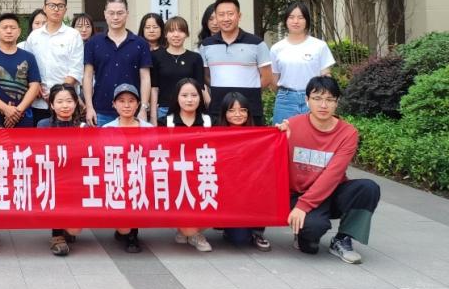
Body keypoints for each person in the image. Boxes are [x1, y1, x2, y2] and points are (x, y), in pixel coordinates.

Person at [277, 76, 380, 264]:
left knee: (368, 188)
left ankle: (342, 239)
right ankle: (304, 235)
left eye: (330, 99)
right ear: (307, 100)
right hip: (297, 193)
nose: (323, 105)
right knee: (311, 237)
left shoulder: (348, 133)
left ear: (337, 102)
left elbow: (333, 175)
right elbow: (270, 162)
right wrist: (278, 139)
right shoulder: (292, 125)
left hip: (331, 192)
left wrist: (303, 207)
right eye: (317, 98)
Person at [158, 78, 213, 252]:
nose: (189, 100)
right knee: (187, 227)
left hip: (203, 177)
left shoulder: (210, 121)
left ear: (200, 97)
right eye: (184, 95)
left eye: (194, 95)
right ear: (176, 97)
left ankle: (194, 232)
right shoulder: (164, 122)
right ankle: (189, 231)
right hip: (175, 180)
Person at [200, 0, 272, 124]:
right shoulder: (206, 45)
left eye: (230, 14)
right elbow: (206, 76)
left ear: (239, 16)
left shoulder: (257, 43)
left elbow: (267, 78)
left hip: (250, 110)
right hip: (218, 110)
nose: (226, 18)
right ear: (216, 17)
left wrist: (248, 92)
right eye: (221, 15)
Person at [83, 0, 152, 126]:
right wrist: (89, 107)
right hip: (101, 110)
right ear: (105, 14)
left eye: (120, 13)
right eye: (111, 13)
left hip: (132, 110)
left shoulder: (140, 43)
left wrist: (143, 108)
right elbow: (87, 76)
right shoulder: (93, 43)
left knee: (133, 141)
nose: (115, 17)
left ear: (127, 14)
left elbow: (145, 78)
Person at [34, 84, 85, 255]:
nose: (65, 106)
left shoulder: (83, 127)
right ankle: (56, 235)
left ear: (76, 103)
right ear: (51, 104)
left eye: (69, 101)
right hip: (52, 178)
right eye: (60, 101)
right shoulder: (43, 125)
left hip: (76, 180)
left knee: (75, 229)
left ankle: (66, 227)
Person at [217, 92, 271, 252]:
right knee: (239, 239)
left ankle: (258, 232)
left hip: (252, 190)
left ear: (248, 112)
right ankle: (228, 227)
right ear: (224, 113)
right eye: (231, 110)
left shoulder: (260, 135)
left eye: (242, 110)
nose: (237, 114)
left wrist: (283, 132)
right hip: (228, 193)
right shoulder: (216, 134)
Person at [103, 83, 153, 254]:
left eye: (131, 101)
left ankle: (133, 234)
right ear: (114, 104)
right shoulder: (106, 129)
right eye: (121, 101)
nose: (126, 105)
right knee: (123, 226)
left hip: (142, 176)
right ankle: (124, 230)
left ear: (138, 104)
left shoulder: (149, 129)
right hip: (117, 178)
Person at [23, 0, 84, 127]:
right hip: (39, 102)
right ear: (44, 8)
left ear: (65, 9)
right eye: (52, 5)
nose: (56, 9)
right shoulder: (34, 36)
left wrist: (56, 95)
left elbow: (75, 70)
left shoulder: (73, 35)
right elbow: (27, 67)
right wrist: (35, 86)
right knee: (41, 137)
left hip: (65, 104)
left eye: (60, 6)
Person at [271, 2, 336, 124]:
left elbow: (326, 76)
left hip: (314, 98)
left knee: (313, 133)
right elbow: (274, 81)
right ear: (286, 21)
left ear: (307, 21)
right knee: (283, 132)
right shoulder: (276, 48)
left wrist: (322, 98)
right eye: (291, 17)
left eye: (300, 17)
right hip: (285, 100)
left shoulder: (319, 46)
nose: (296, 21)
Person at [0, 13, 42, 128]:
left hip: (24, 116)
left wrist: (17, 111)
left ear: (19, 31)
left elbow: (35, 86)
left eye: (12, 28)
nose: (9, 31)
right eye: (5, 28)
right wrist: (5, 108)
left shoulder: (29, 57)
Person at [150, 16, 206, 123]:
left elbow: (200, 88)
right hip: (164, 109)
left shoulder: (195, 58)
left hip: (190, 109)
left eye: (180, 31)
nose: (176, 35)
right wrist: (153, 116)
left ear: (186, 34)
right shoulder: (156, 56)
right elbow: (154, 88)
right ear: (165, 34)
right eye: (171, 31)